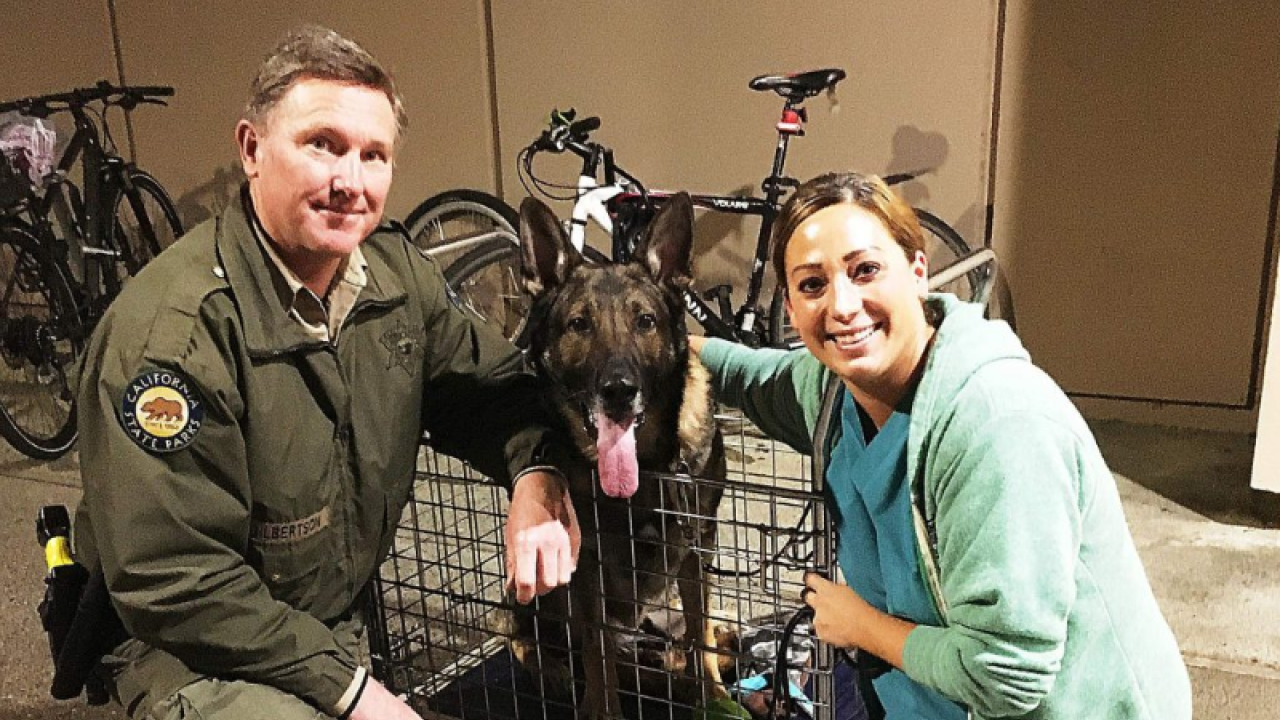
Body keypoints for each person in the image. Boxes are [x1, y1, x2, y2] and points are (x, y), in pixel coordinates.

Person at [72, 26, 578, 720]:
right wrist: (354, 694)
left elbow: (495, 390)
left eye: (374, 155)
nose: (350, 181)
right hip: (188, 652)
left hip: (322, 623)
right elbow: (175, 581)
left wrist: (536, 479)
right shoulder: (173, 341)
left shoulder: (395, 279)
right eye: (323, 145)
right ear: (251, 149)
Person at [691, 172, 1191, 719]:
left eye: (866, 270)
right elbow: (753, 376)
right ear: (789, 308)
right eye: (813, 284)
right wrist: (656, 340)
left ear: (918, 272)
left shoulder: (998, 427)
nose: (843, 305)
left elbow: (1007, 673)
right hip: (920, 688)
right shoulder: (834, 389)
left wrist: (861, 626)